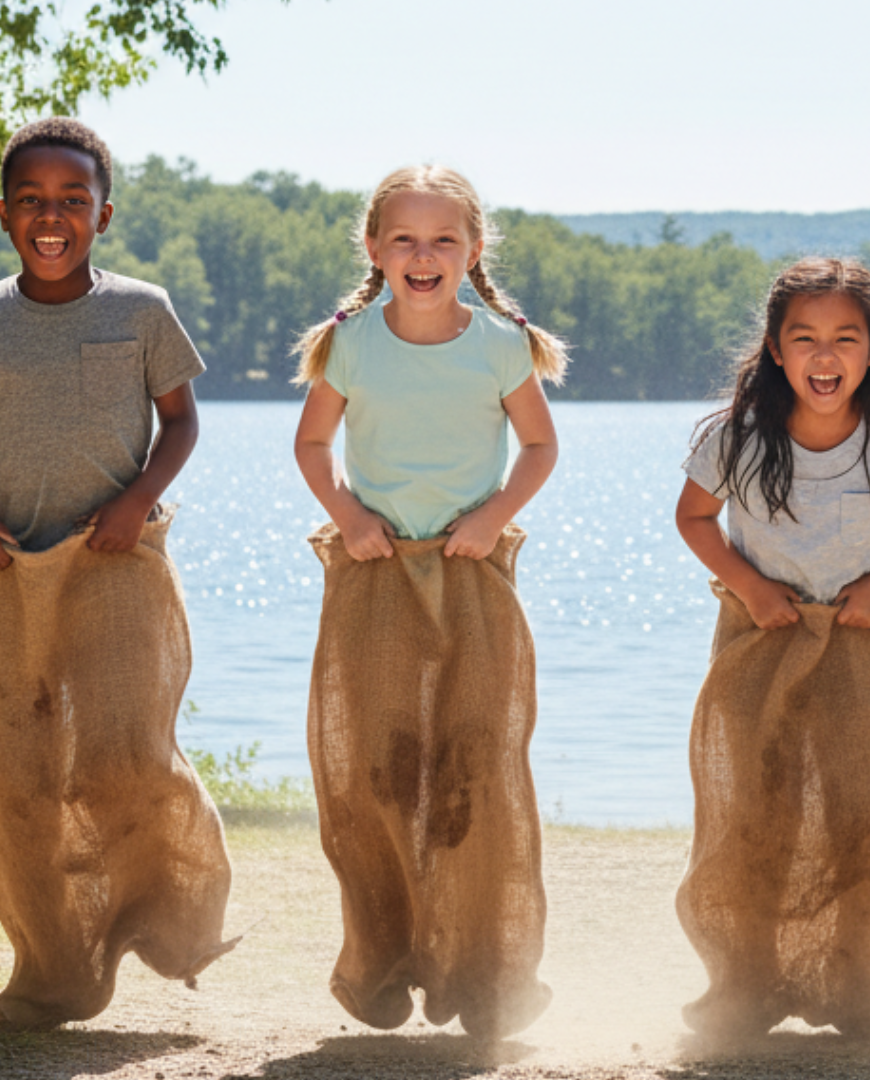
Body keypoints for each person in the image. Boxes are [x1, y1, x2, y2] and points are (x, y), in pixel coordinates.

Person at [0, 117, 232, 1029]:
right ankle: (53, 971)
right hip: (11, 569)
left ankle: (171, 920)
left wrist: (138, 501)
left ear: (104, 213)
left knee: (128, 759)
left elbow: (181, 422)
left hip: (116, 564)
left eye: (71, 201)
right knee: (15, 777)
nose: (50, 217)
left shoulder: (141, 310)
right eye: (31, 201)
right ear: (3, 213)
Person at [292, 165, 565, 1038]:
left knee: (472, 770)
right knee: (376, 770)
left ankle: (485, 973)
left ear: (473, 251)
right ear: (374, 250)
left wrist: (492, 517)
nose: (423, 254)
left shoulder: (498, 345)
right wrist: (348, 515)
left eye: (443, 238)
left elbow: (538, 446)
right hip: (375, 576)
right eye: (404, 239)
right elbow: (312, 443)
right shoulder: (352, 344)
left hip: (469, 575)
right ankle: (385, 958)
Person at [672, 256, 870, 1039]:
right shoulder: (739, 440)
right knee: (758, 818)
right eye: (805, 339)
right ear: (775, 348)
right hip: (764, 647)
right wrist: (750, 588)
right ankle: (746, 984)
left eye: (845, 339)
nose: (825, 358)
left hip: (861, 648)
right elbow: (693, 518)